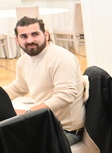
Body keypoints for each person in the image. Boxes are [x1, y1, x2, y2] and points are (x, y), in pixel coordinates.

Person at [3, 17, 86, 145]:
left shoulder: (61, 57)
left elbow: (66, 95)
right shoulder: (23, 61)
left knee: (7, 145)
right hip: (44, 124)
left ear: (46, 35)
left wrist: (28, 113)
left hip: (64, 131)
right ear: (17, 40)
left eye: (35, 34)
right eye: (24, 36)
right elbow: (19, 87)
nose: (30, 40)